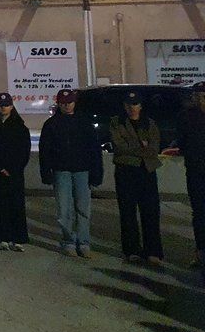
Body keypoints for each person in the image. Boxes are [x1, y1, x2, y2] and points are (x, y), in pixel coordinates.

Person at [39, 89, 103, 259]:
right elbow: (44, 151)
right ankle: (68, 241)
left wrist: (97, 173)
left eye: (69, 102)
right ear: (59, 104)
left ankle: (84, 242)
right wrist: (46, 172)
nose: (67, 105)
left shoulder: (84, 123)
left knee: (83, 209)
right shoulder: (51, 124)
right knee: (64, 209)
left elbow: (94, 149)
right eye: (63, 102)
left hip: (83, 170)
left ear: (75, 103)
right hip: (61, 171)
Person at [109, 91, 164, 265]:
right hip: (126, 170)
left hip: (146, 170)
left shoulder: (150, 123)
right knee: (127, 212)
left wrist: (135, 147)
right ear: (124, 106)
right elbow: (119, 146)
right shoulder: (116, 122)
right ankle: (131, 250)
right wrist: (142, 145)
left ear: (140, 105)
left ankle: (153, 251)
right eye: (128, 105)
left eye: (135, 104)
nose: (132, 108)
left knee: (151, 212)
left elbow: (154, 147)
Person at [0, 92, 30, 251]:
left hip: (15, 172)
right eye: (1, 105)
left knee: (16, 204)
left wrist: (14, 168)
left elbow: (24, 150)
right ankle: (2, 237)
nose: (3, 108)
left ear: (12, 106)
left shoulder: (19, 126)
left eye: (6, 105)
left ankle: (18, 238)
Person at [176, 82, 205, 269]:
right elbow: (183, 142)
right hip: (196, 170)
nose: (201, 99)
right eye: (199, 95)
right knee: (199, 212)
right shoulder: (187, 116)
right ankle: (200, 252)